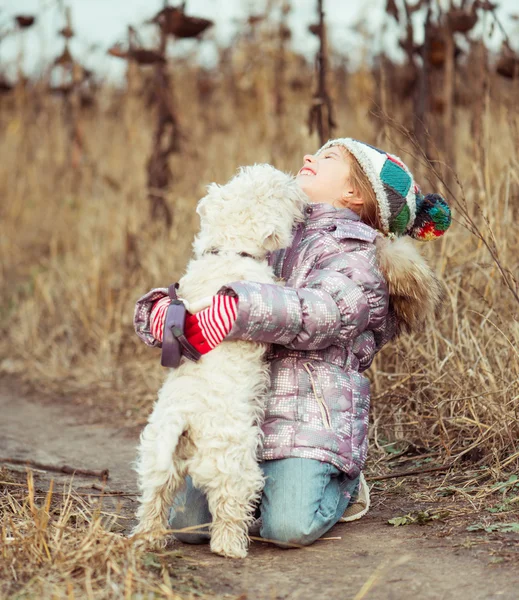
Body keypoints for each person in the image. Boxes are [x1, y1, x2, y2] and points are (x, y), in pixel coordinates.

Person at [133, 137, 451, 548]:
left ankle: (343, 486)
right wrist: (169, 314)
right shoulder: (273, 228)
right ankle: (262, 490)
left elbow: (324, 311)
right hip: (239, 413)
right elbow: (212, 275)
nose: (308, 158)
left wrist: (238, 309)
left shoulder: (359, 256)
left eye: (327, 156)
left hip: (309, 417)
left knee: (288, 528)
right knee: (187, 525)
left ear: (354, 192)